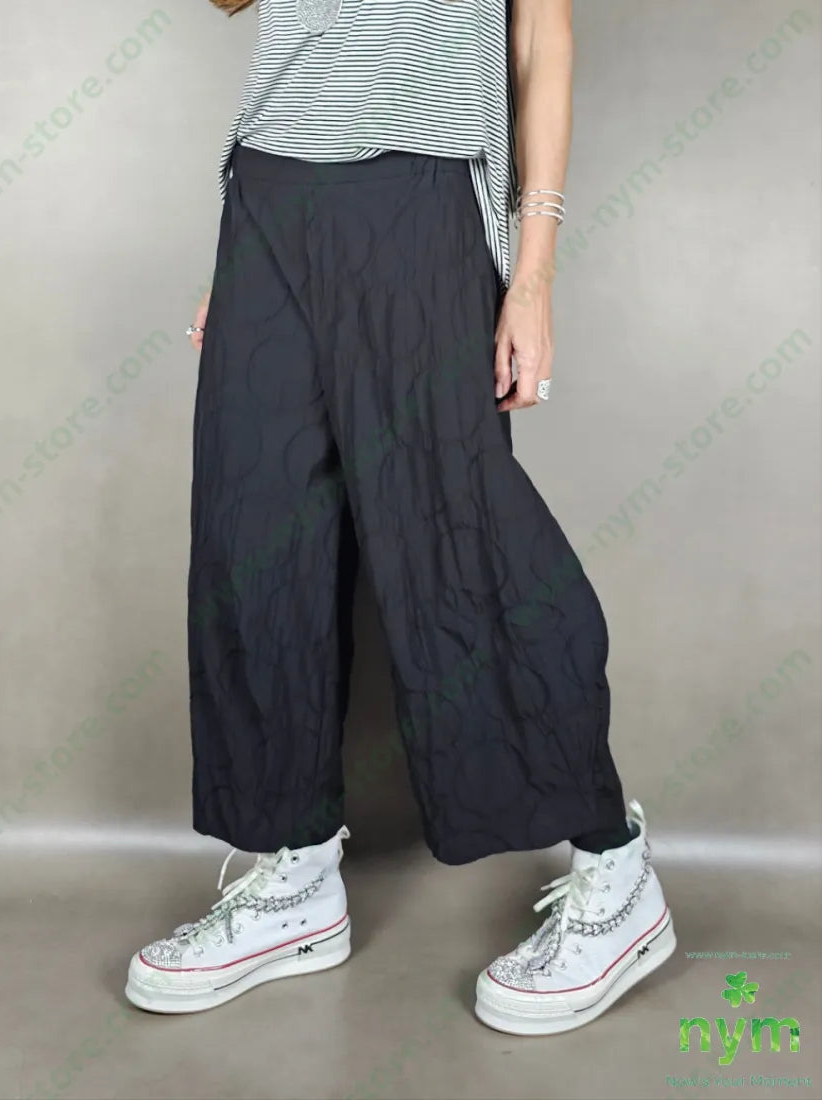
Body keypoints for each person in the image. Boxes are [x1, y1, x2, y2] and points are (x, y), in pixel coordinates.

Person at [125, 0, 675, 1034]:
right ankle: (295, 875)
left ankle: (615, 868)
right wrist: (237, 257)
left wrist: (532, 275)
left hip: (418, 187)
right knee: (254, 531)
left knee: (454, 533)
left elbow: (541, 35)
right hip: (269, 189)